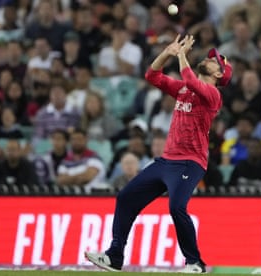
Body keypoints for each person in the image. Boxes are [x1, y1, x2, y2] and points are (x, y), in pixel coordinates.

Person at [85, 35, 232, 273]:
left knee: (176, 207)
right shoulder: (185, 88)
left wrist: (182, 55)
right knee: (126, 198)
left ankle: (195, 263)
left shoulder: (213, 96)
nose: (208, 60)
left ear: (218, 74)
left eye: (214, 61)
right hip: (166, 161)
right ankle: (114, 257)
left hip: (190, 162)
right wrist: (167, 52)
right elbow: (152, 76)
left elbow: (193, 82)